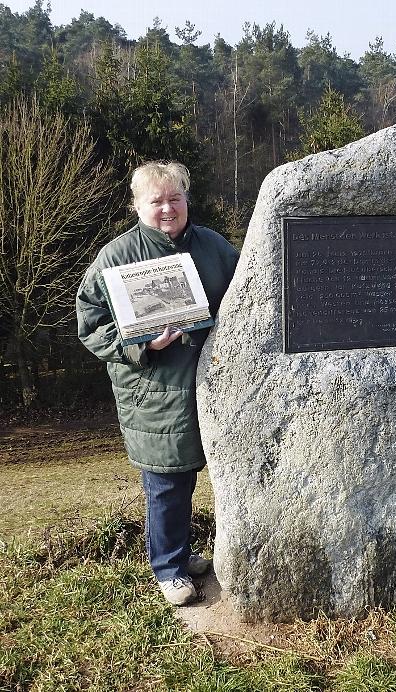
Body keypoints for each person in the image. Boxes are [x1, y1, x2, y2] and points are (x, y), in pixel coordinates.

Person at [76, 161, 238, 606]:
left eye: (175, 198)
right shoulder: (117, 257)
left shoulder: (214, 246)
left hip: (214, 384)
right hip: (155, 392)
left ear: (187, 200)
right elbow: (91, 326)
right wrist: (141, 345)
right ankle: (168, 567)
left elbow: (248, 296)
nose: (167, 208)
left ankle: (185, 556)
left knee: (217, 477)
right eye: (156, 201)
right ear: (138, 206)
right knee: (167, 483)